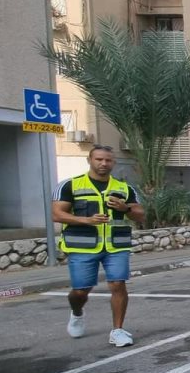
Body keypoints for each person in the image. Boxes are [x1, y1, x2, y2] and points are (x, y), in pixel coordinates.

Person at [53, 145, 145, 347]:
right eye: (99, 159)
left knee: (118, 284)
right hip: (83, 247)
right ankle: (77, 312)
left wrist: (126, 207)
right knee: (80, 291)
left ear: (114, 162)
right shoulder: (70, 185)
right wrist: (86, 220)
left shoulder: (124, 188)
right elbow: (57, 214)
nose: (104, 164)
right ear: (90, 160)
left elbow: (140, 214)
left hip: (116, 246)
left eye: (108, 160)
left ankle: (118, 330)